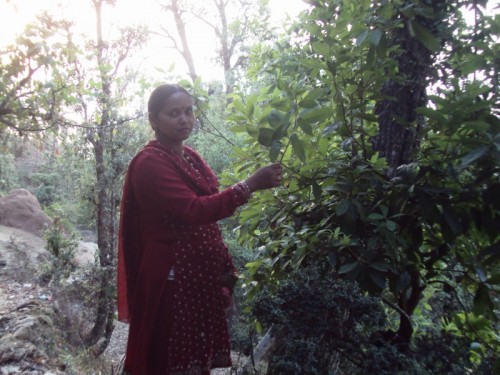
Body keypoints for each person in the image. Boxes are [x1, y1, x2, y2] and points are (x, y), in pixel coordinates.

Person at [117, 83, 283, 375]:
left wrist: (223, 273)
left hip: (198, 280)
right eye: (173, 113)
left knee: (195, 359)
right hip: (171, 279)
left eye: (188, 111)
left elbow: (209, 223)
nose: (184, 119)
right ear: (153, 120)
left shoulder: (190, 157)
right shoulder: (149, 164)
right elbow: (194, 211)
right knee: (166, 359)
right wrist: (249, 186)